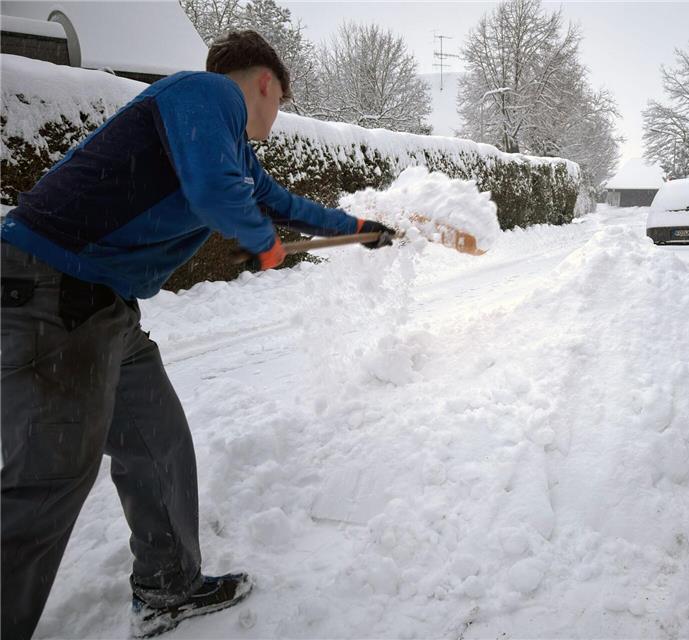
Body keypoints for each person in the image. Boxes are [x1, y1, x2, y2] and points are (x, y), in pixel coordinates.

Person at [0, 30, 394, 640]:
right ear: (266, 83)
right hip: (50, 293)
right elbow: (218, 195)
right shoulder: (203, 92)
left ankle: (168, 588)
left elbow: (276, 200)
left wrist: (361, 227)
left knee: (157, 443)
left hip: (101, 308)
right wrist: (262, 243)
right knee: (48, 481)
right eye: (280, 103)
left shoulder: (228, 144)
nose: (274, 118)